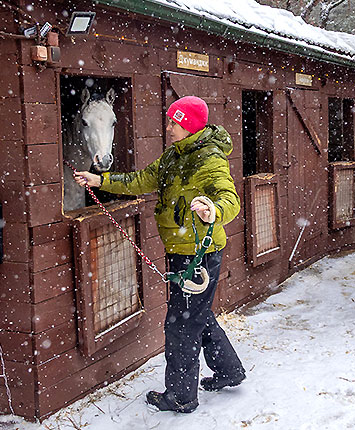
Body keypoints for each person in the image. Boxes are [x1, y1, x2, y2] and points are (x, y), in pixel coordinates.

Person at [73, 96, 246, 413]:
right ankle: (229, 370)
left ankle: (180, 396)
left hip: (199, 255)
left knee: (180, 325)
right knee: (197, 315)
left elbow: (229, 198)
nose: (168, 127)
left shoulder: (210, 160)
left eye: (173, 122)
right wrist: (101, 180)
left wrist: (213, 209)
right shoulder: (174, 156)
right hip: (181, 251)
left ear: (189, 125)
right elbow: (142, 180)